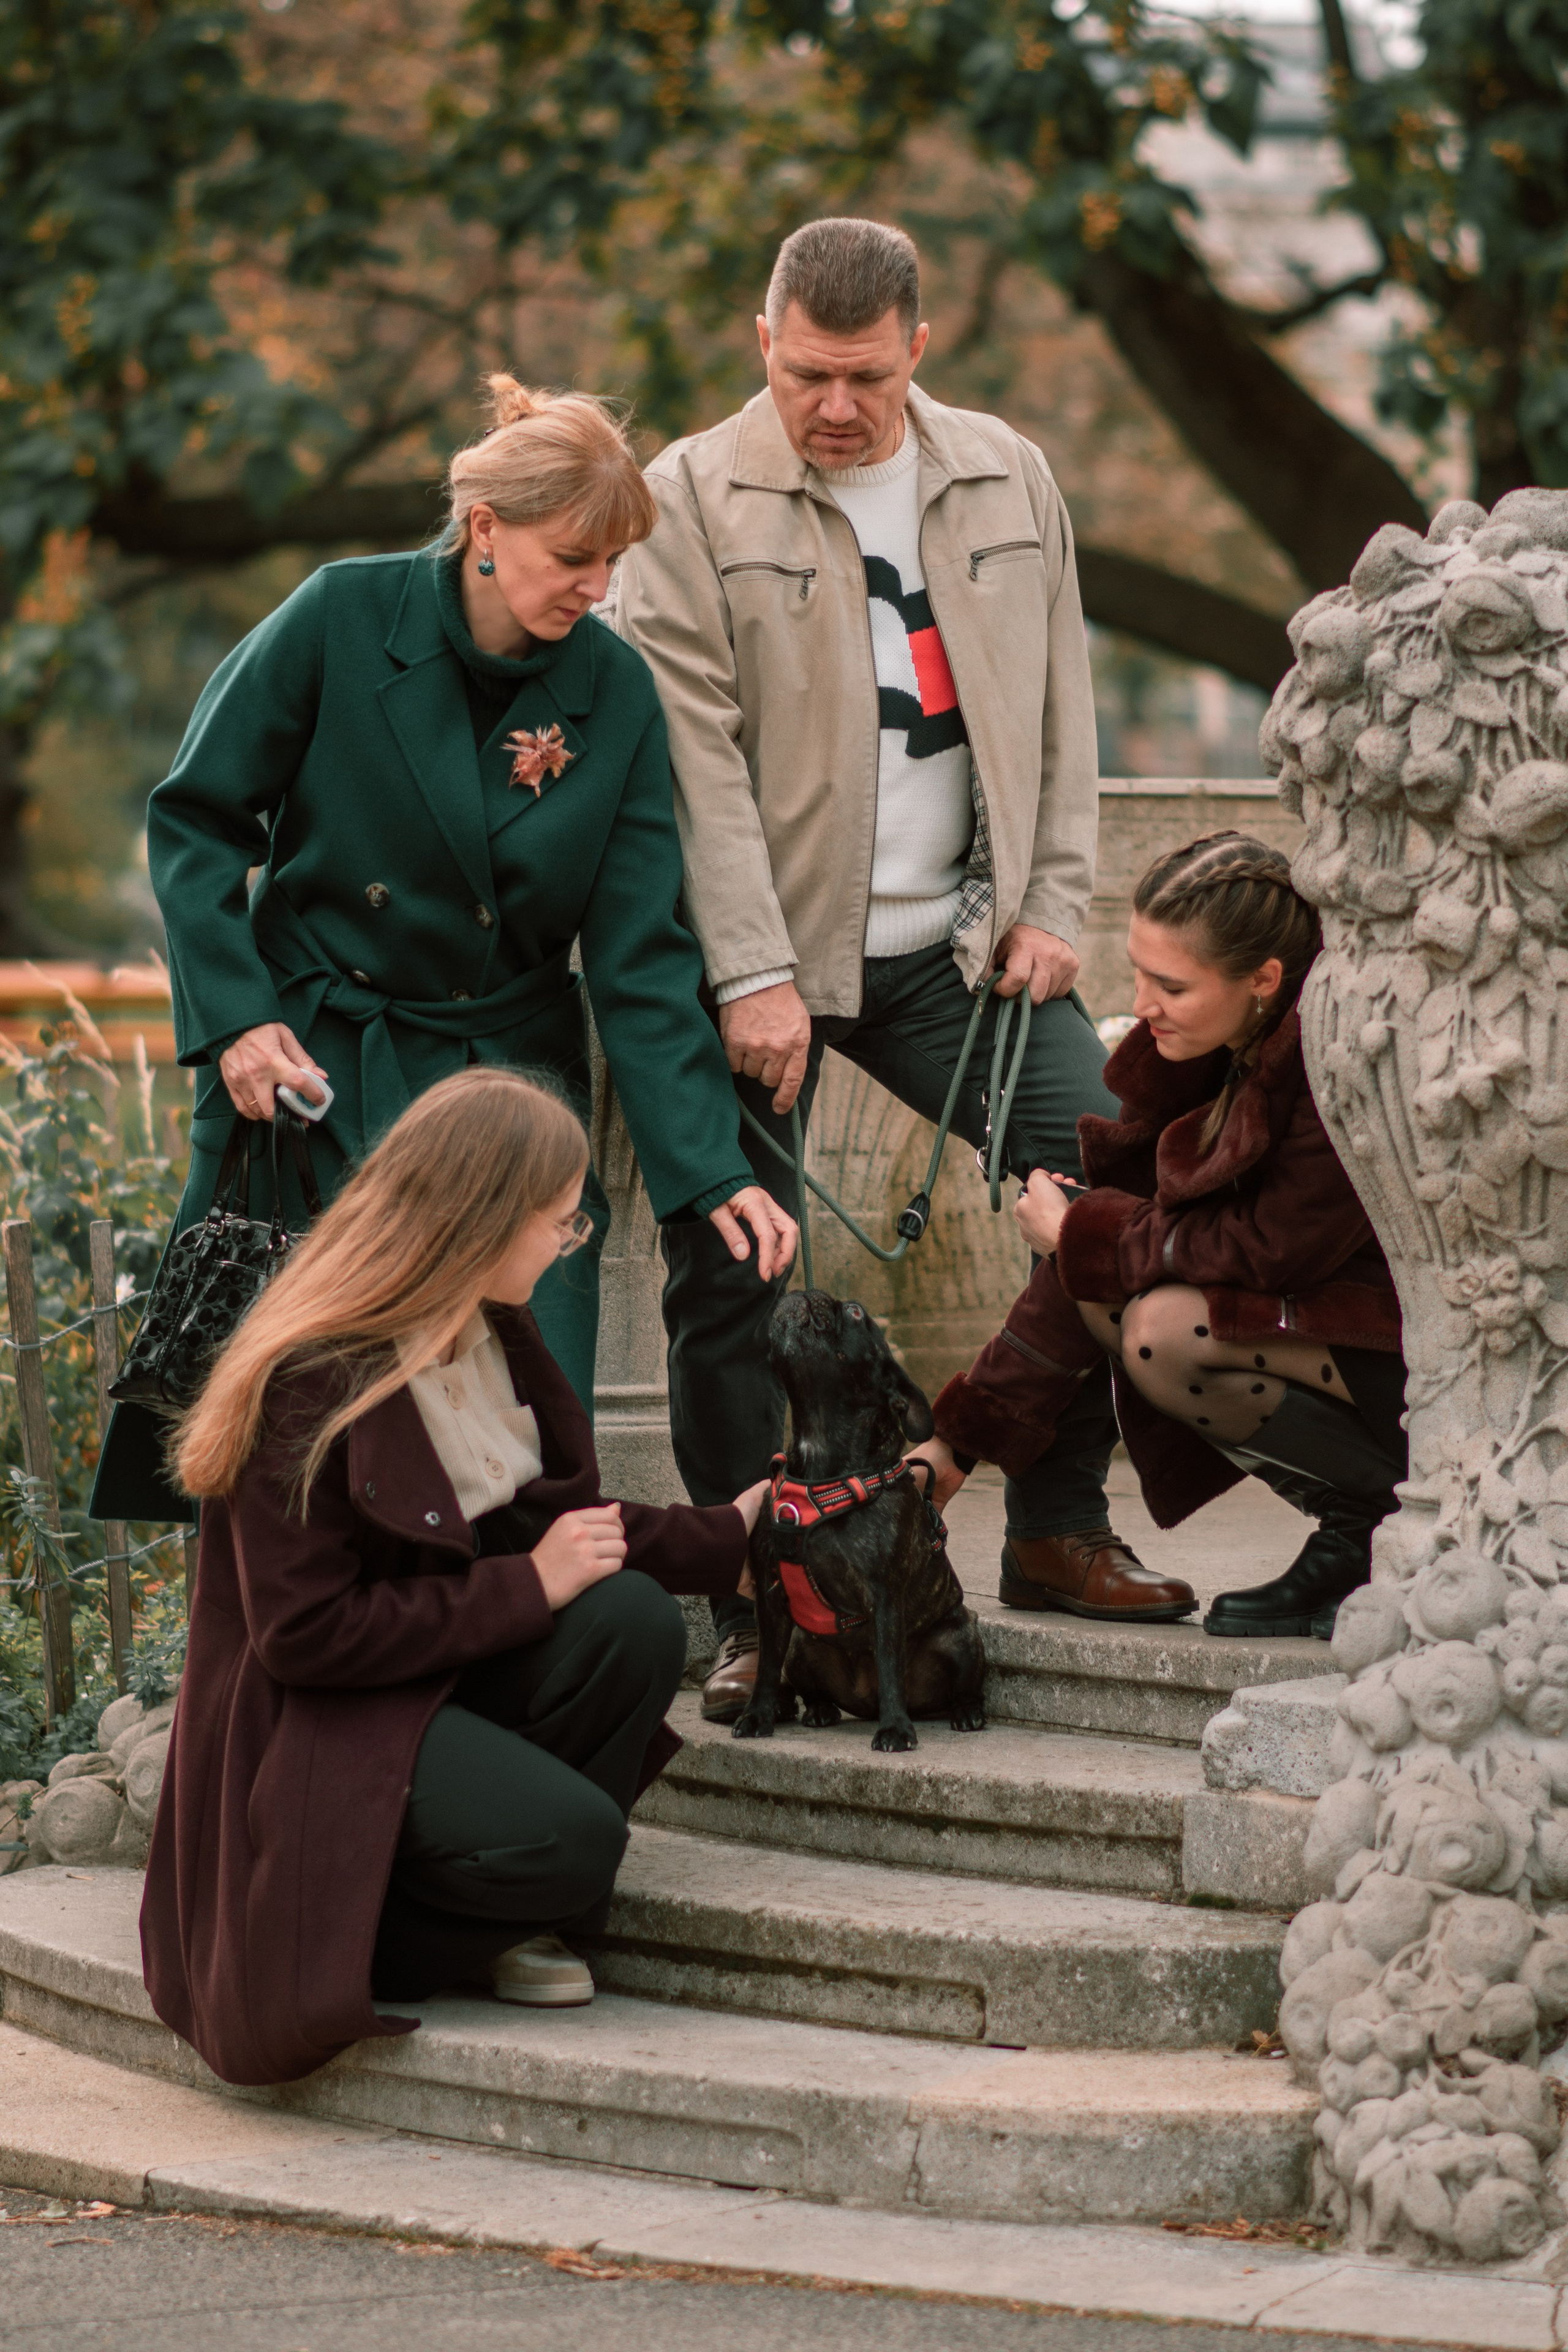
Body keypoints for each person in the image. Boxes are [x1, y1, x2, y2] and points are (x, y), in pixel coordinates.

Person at [615, 214, 1172, 1725]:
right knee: (733, 1267)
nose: (835, 407)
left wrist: (1055, 901)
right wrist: (746, 972)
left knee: (1096, 1172)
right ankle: (756, 1602)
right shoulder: (682, 496)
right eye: (806, 374)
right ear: (763, 343)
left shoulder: (1003, 470)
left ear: (917, 348)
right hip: (762, 966)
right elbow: (690, 766)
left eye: (862, 376)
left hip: (962, 952)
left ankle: (1055, 1529)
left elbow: (1060, 698)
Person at [92, 375, 794, 1526]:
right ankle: (279, 1666)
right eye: (575, 556)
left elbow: (640, 961)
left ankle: (527, 1648)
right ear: (485, 528)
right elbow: (197, 817)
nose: (597, 587)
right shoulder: (337, 615)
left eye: (614, 562)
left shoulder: (613, 691)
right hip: (317, 1064)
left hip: (505, 1087)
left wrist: (710, 1170)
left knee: (527, 1419)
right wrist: (234, 1018)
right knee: (293, 1418)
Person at [141, 1069, 767, 2087]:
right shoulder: (308, 1373)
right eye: (560, 1223)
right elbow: (303, 1638)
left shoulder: (482, 1321)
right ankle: (373, 1932)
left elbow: (541, 1519)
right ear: (482, 1219)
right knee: (578, 1841)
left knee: (633, 1620)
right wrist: (530, 1588)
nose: (570, 1244)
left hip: (418, 1686)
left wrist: (729, 1535)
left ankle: (508, 1912)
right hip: (314, 1726)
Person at [909, 834, 1406, 1640]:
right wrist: (955, 1443)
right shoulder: (1211, 1044)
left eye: (1170, 984)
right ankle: (1361, 1535)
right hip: (1337, 1344)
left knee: (1165, 1334)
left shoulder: (1336, 1059)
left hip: (1424, 1371)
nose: (1141, 1003)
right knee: (1110, 1290)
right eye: (1139, 972)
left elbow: (1272, 1246)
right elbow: (1097, 1249)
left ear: (1265, 980)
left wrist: (1080, 1232)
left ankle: (1395, 1519)